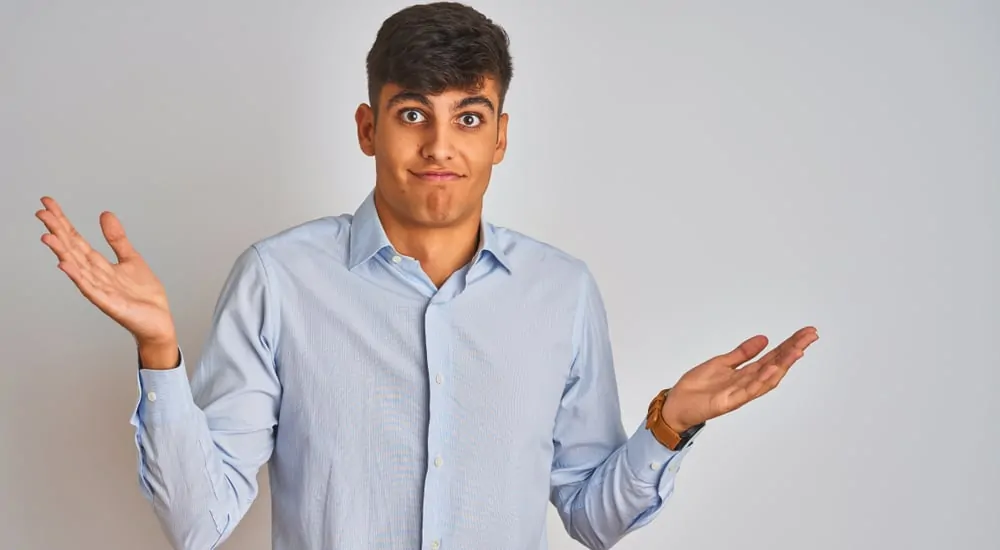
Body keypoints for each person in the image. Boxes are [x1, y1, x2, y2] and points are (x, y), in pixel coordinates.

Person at [35, 2, 818, 549]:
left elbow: (590, 517)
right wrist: (160, 351)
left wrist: (667, 426)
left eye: (468, 118)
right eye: (413, 114)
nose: (441, 146)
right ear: (369, 128)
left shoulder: (562, 293)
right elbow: (197, 523)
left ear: (500, 137)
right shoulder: (278, 280)